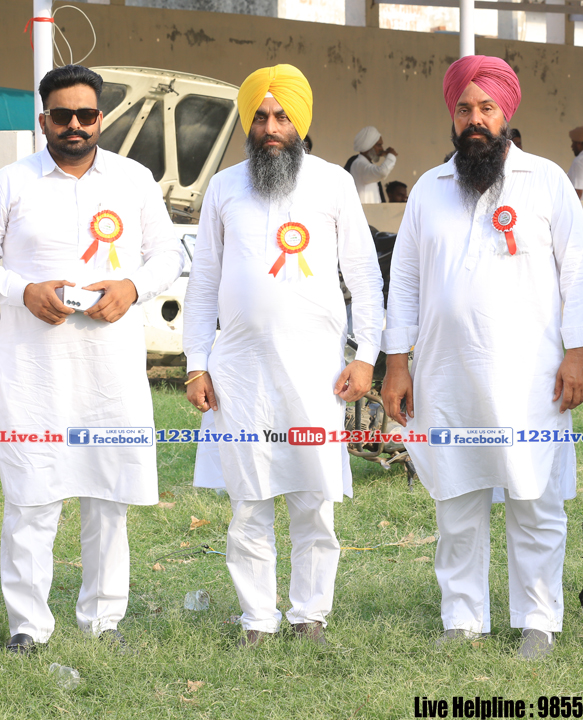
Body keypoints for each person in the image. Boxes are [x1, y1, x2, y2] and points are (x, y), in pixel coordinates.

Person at [380, 56, 583, 660]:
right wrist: (397, 364)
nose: (474, 119)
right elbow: (405, 283)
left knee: (533, 497)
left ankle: (538, 619)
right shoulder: (429, 189)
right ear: (452, 116)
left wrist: (579, 356)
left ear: (506, 114)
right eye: (464, 109)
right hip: (446, 375)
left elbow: (578, 273)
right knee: (457, 498)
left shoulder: (546, 180)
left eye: (486, 108)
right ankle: (462, 617)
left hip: (530, 377)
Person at [0, 65, 183, 653]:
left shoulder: (133, 180)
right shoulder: (10, 182)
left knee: (107, 497)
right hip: (34, 371)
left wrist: (131, 287)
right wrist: (22, 292)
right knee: (32, 496)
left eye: (86, 114)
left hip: (110, 371)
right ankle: (27, 627)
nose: (75, 125)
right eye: (63, 115)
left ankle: (104, 622)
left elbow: (168, 255)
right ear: (44, 120)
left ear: (101, 118)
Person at [183, 64, 384, 647]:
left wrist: (367, 355)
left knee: (313, 498)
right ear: (248, 123)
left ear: (301, 122)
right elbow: (203, 282)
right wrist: (196, 362)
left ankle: (309, 615)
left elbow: (364, 277)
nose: (271, 128)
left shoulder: (333, 184)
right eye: (261, 117)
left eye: (282, 117)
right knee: (249, 501)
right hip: (239, 371)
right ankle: (257, 620)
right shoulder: (224, 188)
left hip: (317, 371)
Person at [346, 126, 397, 202]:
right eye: (379, 145)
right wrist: (391, 156)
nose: (382, 149)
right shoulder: (359, 164)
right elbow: (382, 172)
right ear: (368, 145)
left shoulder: (364, 164)